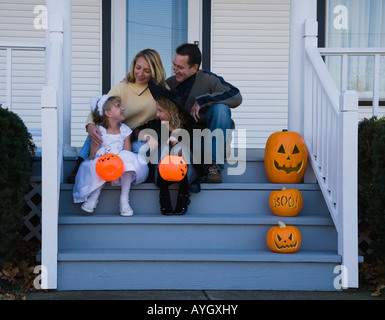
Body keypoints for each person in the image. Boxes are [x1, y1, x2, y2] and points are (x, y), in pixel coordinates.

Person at [67, 49, 166, 183]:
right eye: (138, 68)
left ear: (155, 71)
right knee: (96, 129)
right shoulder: (123, 87)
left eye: (146, 71)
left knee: (139, 149)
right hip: (117, 133)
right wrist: (90, 125)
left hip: (139, 136)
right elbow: (101, 107)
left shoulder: (162, 91)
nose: (140, 74)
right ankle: (80, 165)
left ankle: (136, 174)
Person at [166, 43, 242, 183]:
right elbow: (151, 95)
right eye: (174, 65)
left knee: (221, 108)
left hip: (213, 134)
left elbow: (235, 95)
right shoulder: (170, 83)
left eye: (180, 67)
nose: (175, 70)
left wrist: (204, 100)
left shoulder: (208, 79)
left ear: (195, 68)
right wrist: (131, 80)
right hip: (191, 138)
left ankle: (214, 166)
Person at [73, 95, 149, 216]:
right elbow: (92, 155)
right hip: (104, 165)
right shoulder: (99, 131)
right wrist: (102, 153)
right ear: (108, 113)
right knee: (101, 162)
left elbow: (127, 153)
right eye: (118, 106)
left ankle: (124, 200)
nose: (123, 108)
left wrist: (116, 159)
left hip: (119, 165)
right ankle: (94, 197)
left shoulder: (125, 130)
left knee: (129, 161)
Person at [139, 79, 197, 215]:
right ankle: (164, 194)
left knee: (179, 148)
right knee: (164, 149)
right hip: (161, 172)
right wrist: (148, 136)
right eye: (157, 111)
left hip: (185, 171)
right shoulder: (157, 125)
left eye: (160, 111)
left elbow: (196, 145)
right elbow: (137, 131)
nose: (157, 114)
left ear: (171, 111)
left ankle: (183, 193)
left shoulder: (186, 127)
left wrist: (179, 141)